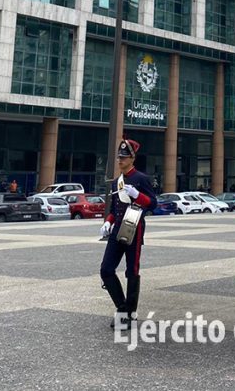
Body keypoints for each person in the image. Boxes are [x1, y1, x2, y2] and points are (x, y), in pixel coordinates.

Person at [99, 138, 157, 330]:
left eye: (124, 157)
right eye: (119, 157)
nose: (120, 160)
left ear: (132, 158)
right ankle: (122, 307)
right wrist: (108, 222)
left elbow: (153, 204)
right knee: (106, 269)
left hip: (134, 228)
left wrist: (137, 195)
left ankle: (130, 314)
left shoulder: (141, 179)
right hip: (117, 229)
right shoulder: (117, 182)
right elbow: (114, 209)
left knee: (132, 271)